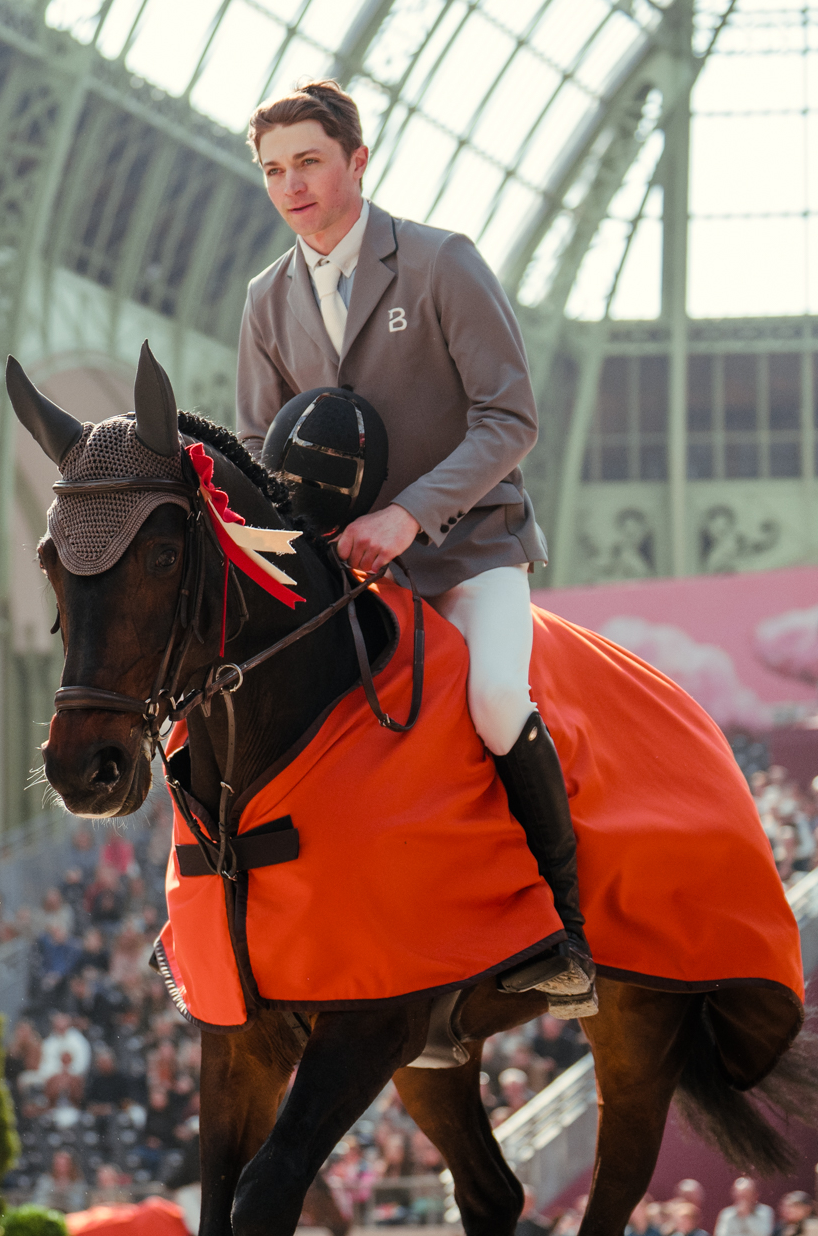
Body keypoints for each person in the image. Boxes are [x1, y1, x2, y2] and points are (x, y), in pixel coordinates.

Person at [233, 79, 589, 1012]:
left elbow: (510, 418)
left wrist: (408, 516)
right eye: (273, 169)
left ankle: (565, 931)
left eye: (309, 162)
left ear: (358, 161)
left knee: (497, 699)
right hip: (348, 575)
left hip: (471, 551)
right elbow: (263, 451)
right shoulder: (265, 300)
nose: (291, 185)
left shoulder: (443, 262)